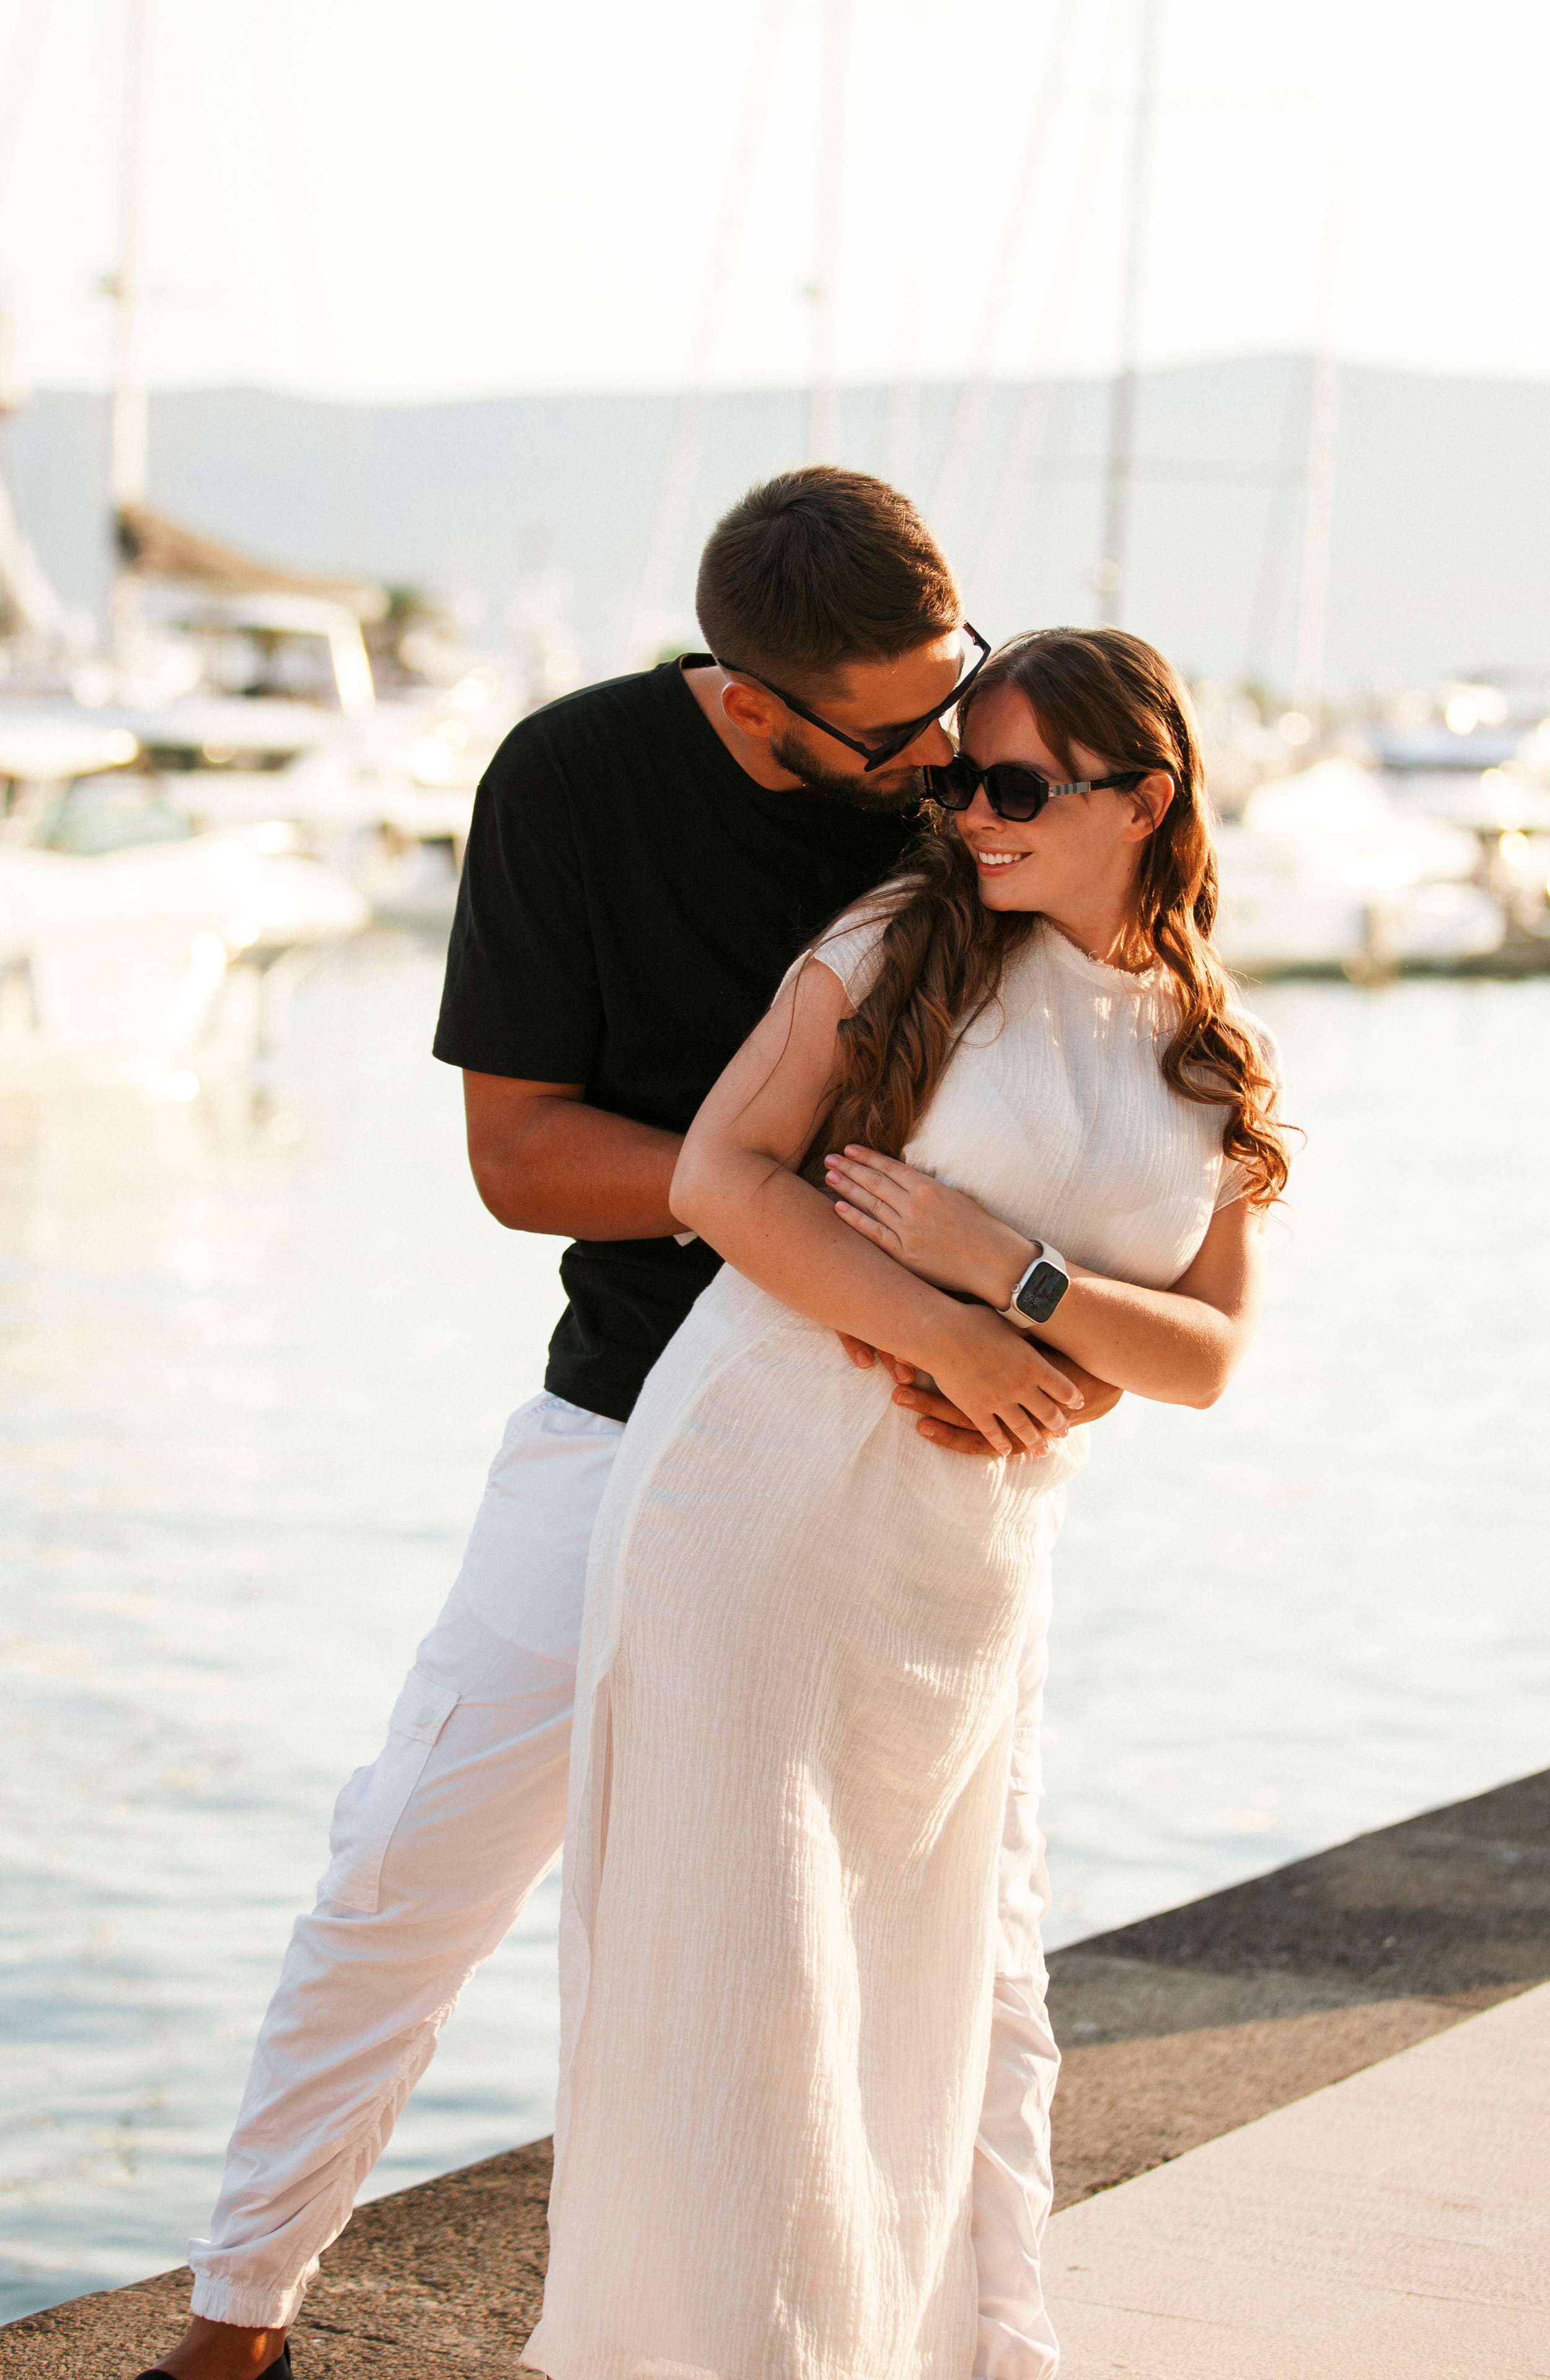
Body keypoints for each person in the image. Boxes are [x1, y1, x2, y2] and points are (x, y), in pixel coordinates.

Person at [141, 473, 1117, 2380]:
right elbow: (519, 1156)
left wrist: (989, 1314)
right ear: (752, 703)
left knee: (976, 1942)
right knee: (416, 1858)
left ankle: (1007, 2354)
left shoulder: (988, 784)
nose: (949, 754)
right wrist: (802, 1221)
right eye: (901, 724)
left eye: (962, 688)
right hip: (633, 1417)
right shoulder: (570, 782)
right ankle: (235, 2316)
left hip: (921, 1444)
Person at [524, 625, 1287, 2380]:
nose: (968, 815)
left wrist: (1007, 1281)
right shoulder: (894, 948)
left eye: (1012, 787)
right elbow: (721, 1177)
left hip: (965, 1571)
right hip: (758, 1509)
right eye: (955, 779)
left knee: (935, 1998)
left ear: (1142, 798)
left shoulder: (1209, 1050)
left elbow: (1209, 1356)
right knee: (758, 1989)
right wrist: (945, 1327)